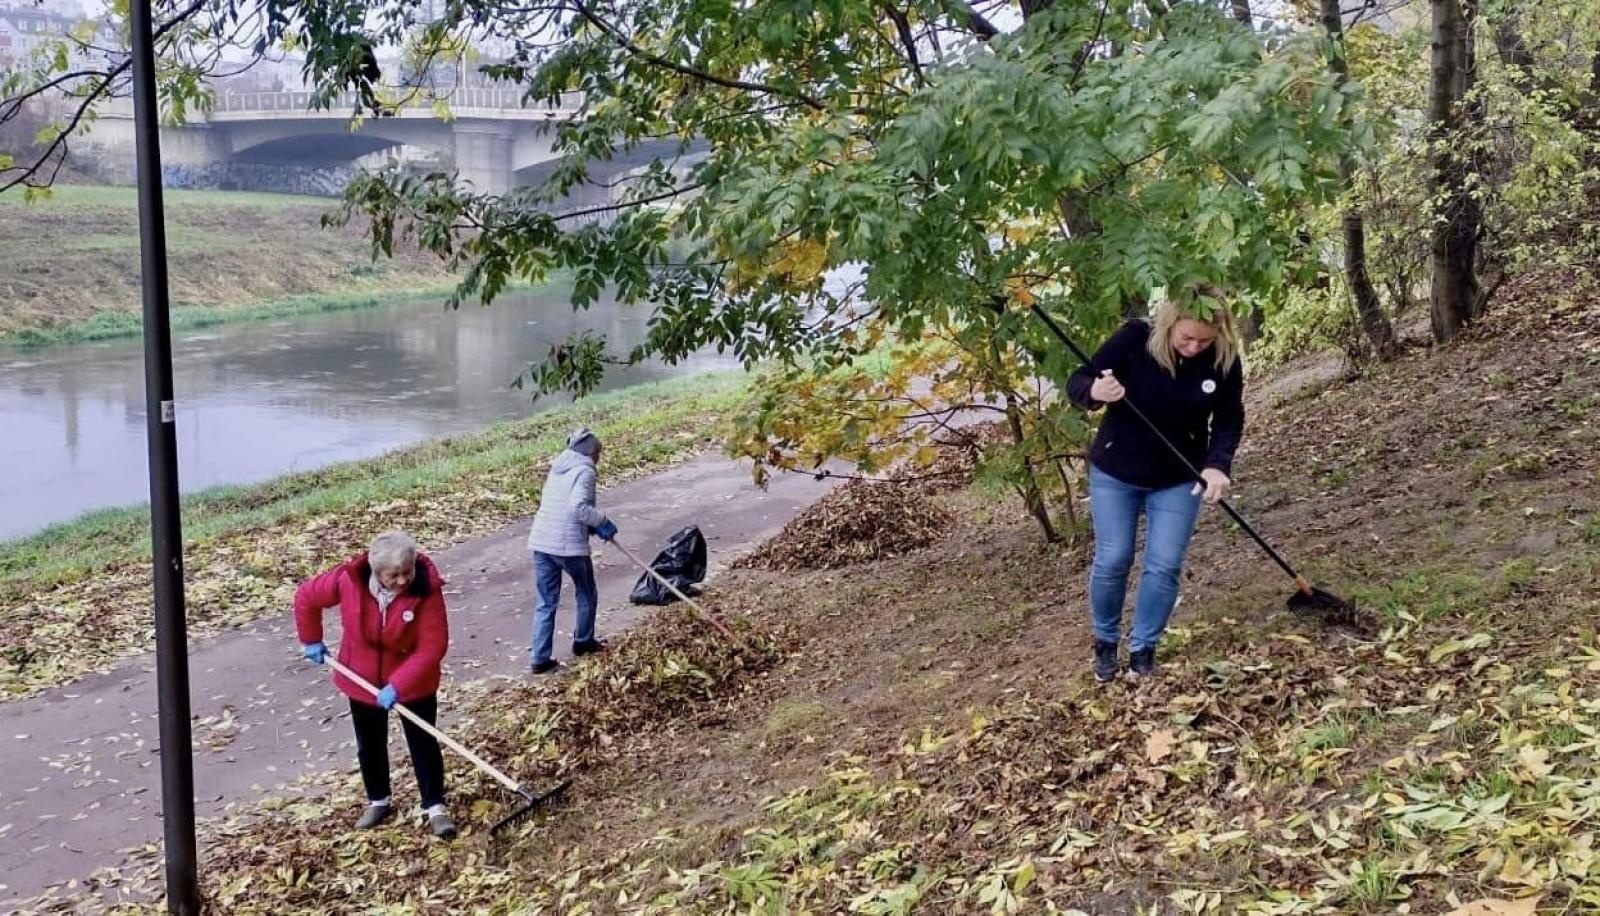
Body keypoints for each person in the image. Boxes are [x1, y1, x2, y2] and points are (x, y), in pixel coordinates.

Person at [1066, 291, 1245, 682]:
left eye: (1204, 340)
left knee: (1164, 565)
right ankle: (1105, 643)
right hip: (1117, 471)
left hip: (1180, 476)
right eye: (1187, 339)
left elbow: (1229, 418)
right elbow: (1078, 381)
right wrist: (1095, 392)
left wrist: (1217, 466)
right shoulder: (1134, 339)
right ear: (1170, 324)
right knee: (1114, 559)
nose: (1195, 347)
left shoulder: (1224, 360)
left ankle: (1144, 649)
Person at [294, 530, 457, 839]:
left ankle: (435, 807)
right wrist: (310, 638)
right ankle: (378, 800)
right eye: (393, 575)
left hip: (414, 682)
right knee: (369, 744)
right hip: (362, 678)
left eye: (406, 572)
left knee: (423, 742)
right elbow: (307, 596)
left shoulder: (426, 590)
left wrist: (398, 684)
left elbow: (433, 646)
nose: (401, 580)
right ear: (375, 570)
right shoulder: (349, 579)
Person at [526, 427, 617, 674]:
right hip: (568, 547)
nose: (599, 458)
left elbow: (561, 508)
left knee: (546, 601)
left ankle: (539, 657)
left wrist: (591, 526)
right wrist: (602, 522)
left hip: (542, 541)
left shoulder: (558, 469)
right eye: (598, 453)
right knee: (587, 592)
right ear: (590, 452)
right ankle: (583, 641)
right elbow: (578, 508)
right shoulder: (585, 470)